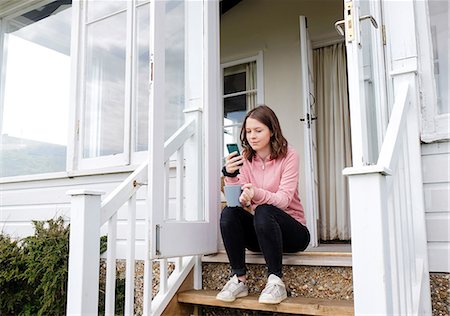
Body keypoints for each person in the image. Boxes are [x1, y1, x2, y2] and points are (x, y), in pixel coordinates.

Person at [217, 105, 310, 304]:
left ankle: (275, 280)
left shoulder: (289, 156)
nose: (252, 136)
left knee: (265, 210)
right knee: (229, 213)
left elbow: (284, 200)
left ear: (272, 130)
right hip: (262, 233)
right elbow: (237, 200)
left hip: (293, 233)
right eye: (248, 131)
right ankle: (239, 279)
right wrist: (231, 176)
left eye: (258, 131)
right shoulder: (246, 158)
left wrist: (256, 194)